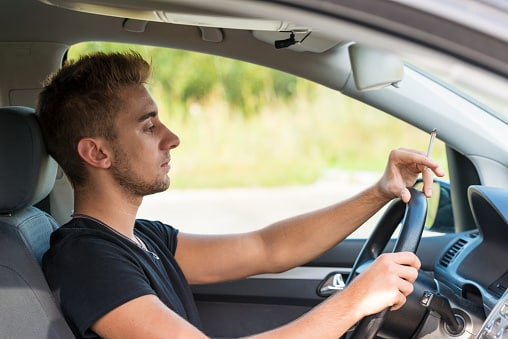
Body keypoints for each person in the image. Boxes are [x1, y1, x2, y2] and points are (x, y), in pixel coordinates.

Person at [38, 51, 444, 339]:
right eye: (149, 127)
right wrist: (355, 300)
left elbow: (267, 247)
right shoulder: (85, 259)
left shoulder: (141, 238)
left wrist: (378, 191)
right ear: (97, 153)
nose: (172, 138)